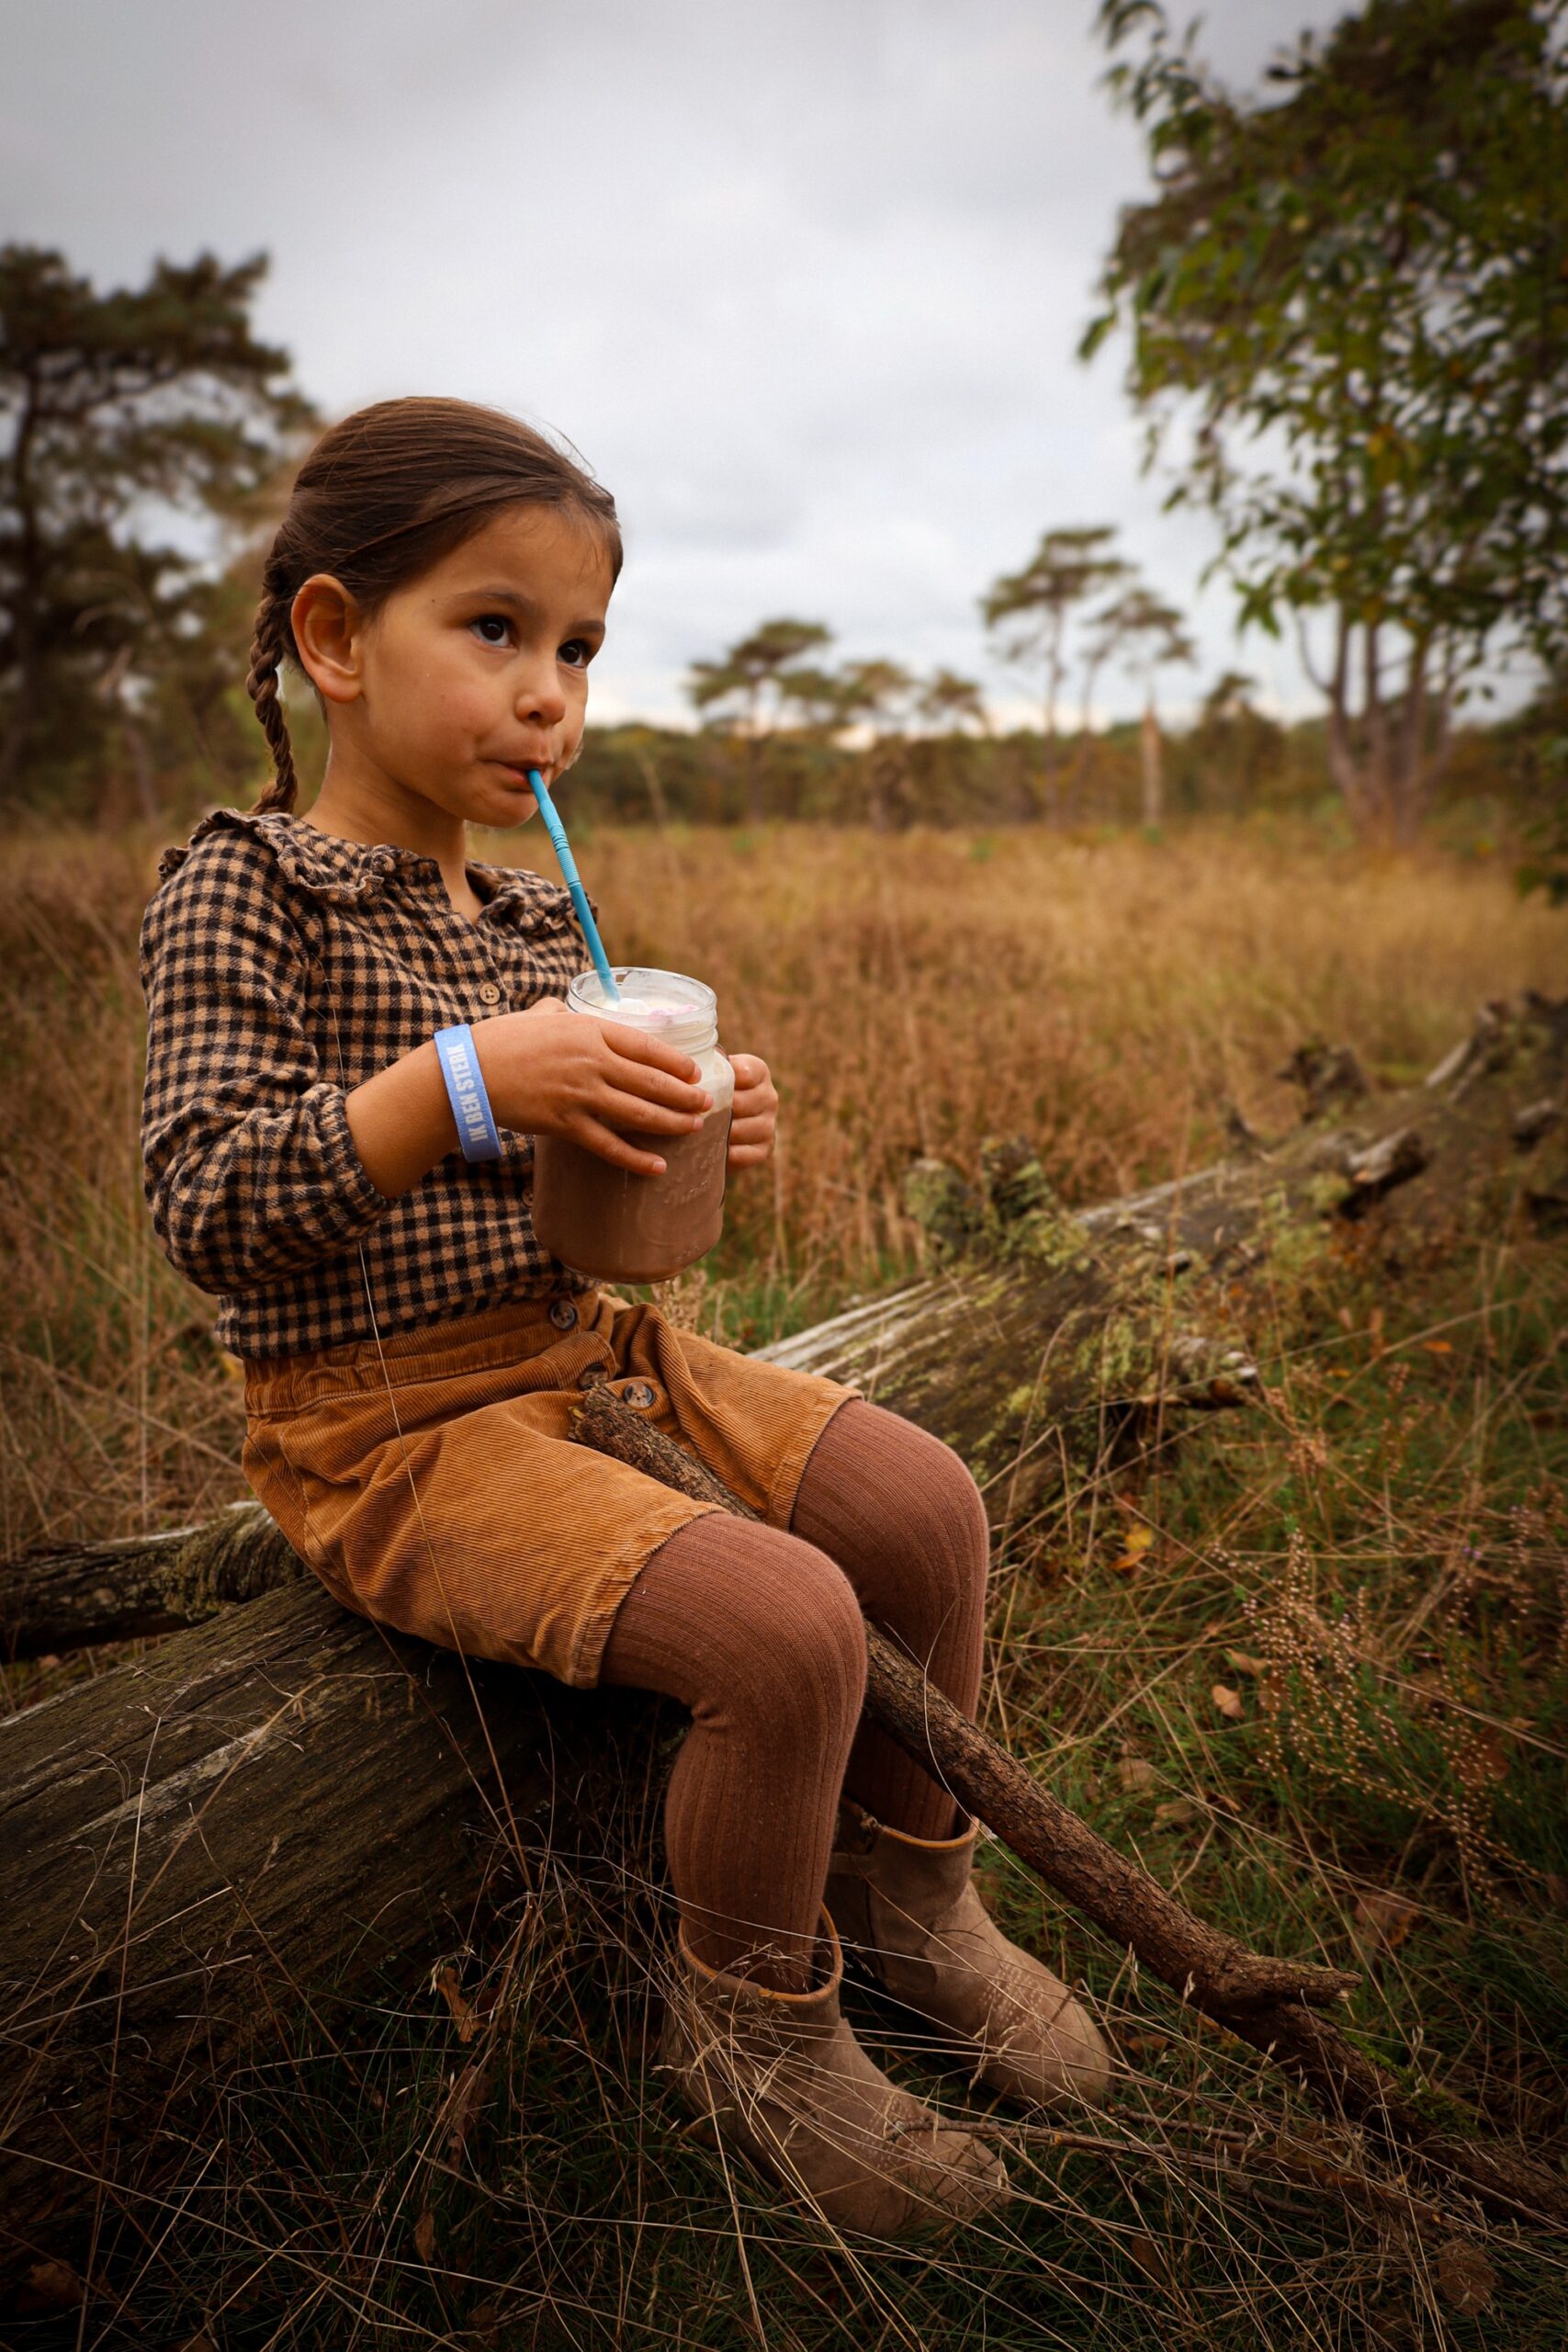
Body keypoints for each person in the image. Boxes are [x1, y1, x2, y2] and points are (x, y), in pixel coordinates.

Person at [139, 398, 1109, 2240]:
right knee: (788, 1624)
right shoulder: (246, 891)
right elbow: (206, 1207)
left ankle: (912, 1894)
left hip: (586, 1363)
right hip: (386, 1422)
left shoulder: (534, 922)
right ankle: (753, 2030)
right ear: (336, 638)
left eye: (578, 648)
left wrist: (694, 1134)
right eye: (495, 629)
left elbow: (615, 1252)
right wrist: (464, 1079)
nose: (550, 695)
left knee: (924, 1510)